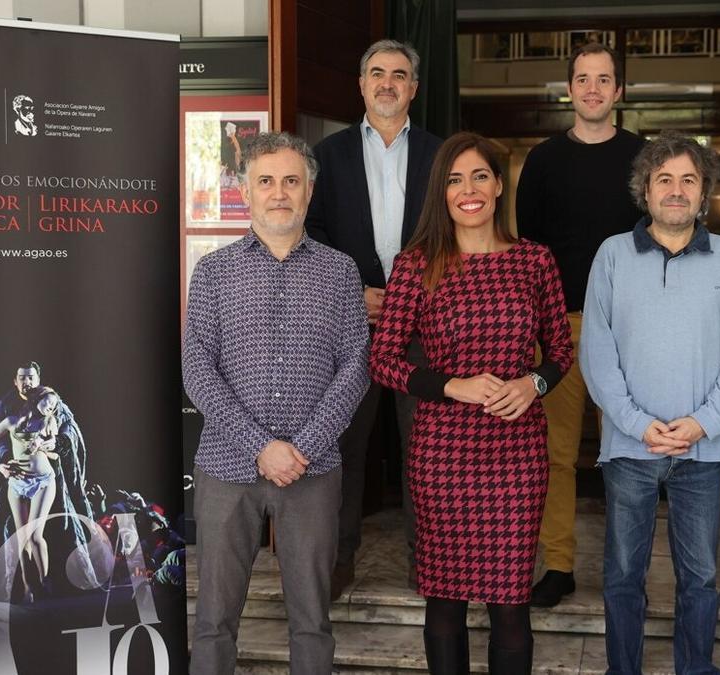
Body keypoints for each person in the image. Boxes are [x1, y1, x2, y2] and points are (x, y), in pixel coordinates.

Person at [370, 132, 573, 674]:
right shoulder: (416, 265)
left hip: (516, 453)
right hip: (442, 455)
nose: (468, 190)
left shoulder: (534, 262)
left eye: (479, 176)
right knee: (445, 599)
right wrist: (451, 385)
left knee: (511, 603)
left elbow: (561, 353)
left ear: (499, 185)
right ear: (442, 193)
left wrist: (533, 384)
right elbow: (384, 360)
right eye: (455, 180)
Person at [184, 130, 369, 675]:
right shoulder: (214, 273)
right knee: (214, 619)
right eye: (266, 181)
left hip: (312, 473)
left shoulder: (340, 272)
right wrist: (262, 446)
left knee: (312, 619)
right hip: (226, 469)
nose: (279, 192)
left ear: (309, 191)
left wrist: (301, 448)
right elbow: (197, 370)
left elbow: (355, 369)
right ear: (246, 192)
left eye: (292, 180)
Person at [580, 131, 720, 674]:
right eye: (665, 180)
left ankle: (695, 669)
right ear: (646, 190)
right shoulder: (612, 254)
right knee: (622, 574)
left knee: (700, 576)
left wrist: (702, 424)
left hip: (703, 452)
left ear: (705, 191)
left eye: (689, 179)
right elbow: (596, 353)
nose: (676, 191)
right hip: (630, 449)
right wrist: (638, 424)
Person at [304, 38, 443, 598]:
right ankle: (337, 562)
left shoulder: (442, 154)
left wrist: (418, 293)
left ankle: (426, 564)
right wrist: (349, 290)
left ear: (413, 87)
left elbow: (458, 233)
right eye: (377, 74)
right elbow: (308, 232)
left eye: (400, 74)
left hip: (426, 330)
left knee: (426, 452)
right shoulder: (326, 155)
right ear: (361, 85)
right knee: (344, 450)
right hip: (350, 325)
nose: (388, 83)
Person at [515, 41, 645, 608]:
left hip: (631, 329)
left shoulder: (646, 159)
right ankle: (560, 565)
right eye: (582, 78)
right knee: (556, 452)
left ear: (618, 91)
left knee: (628, 454)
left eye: (604, 79)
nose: (593, 88)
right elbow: (530, 253)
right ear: (569, 89)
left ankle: (626, 570)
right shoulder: (543, 160)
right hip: (560, 327)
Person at [0, 362, 93, 582]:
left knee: (42, 535)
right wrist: (3, 461)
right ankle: (28, 588)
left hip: (47, 479)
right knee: (18, 537)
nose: (27, 382)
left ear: (38, 380)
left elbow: (69, 435)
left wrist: (54, 444)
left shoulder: (51, 404)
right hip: (11, 481)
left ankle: (47, 584)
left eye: (31, 377)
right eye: (22, 377)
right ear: (15, 381)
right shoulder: (5, 410)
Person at [0, 386, 62, 598]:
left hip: (43, 481)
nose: (50, 407)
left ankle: (45, 583)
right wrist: (1, 467)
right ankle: (29, 588)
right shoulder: (12, 422)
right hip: (16, 483)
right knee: (22, 539)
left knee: (35, 535)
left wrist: (43, 443)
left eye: (54, 405)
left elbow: (54, 446)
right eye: (47, 402)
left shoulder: (48, 422)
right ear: (37, 398)